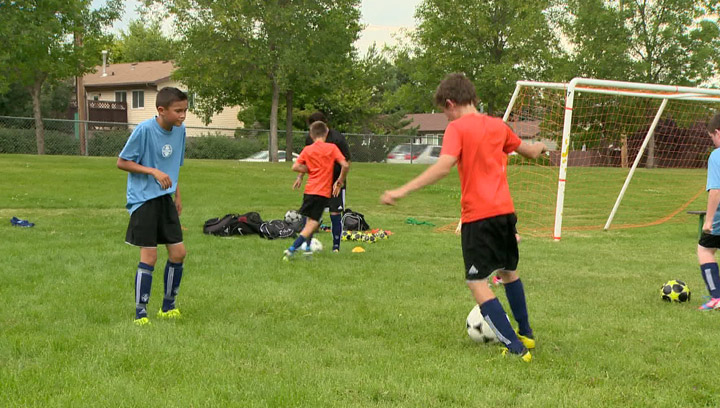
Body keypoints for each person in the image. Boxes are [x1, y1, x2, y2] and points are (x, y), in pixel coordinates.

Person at [380, 73, 546, 362]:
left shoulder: (457, 129)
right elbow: (530, 152)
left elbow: (444, 166)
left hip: (478, 216)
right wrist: (543, 146)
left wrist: (402, 190)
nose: (446, 118)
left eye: (444, 112)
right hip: (506, 213)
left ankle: (515, 348)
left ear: (449, 103)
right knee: (508, 271)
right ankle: (527, 334)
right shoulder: (498, 125)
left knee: (477, 282)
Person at [117, 87, 188, 325]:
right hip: (144, 199)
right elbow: (122, 162)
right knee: (150, 256)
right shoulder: (144, 130)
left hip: (165, 199)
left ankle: (168, 307)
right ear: (161, 110)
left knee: (178, 253)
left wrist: (176, 194)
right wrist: (152, 171)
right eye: (178, 111)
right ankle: (141, 312)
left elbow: (173, 166)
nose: (183, 115)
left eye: (185, 110)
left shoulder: (180, 131)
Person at [284, 120, 349, 260]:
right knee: (313, 223)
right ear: (326, 133)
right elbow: (345, 165)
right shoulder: (331, 148)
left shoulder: (308, 149)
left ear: (311, 135)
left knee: (309, 221)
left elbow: (295, 167)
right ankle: (292, 248)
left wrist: (309, 170)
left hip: (309, 191)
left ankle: (307, 249)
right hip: (322, 192)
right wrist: (340, 181)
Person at [697, 112, 720, 310]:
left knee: (705, 250)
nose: (712, 141)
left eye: (711, 137)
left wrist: (709, 220)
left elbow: (716, 191)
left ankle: (716, 297)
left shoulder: (716, 156)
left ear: (718, 133)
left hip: (719, 221)